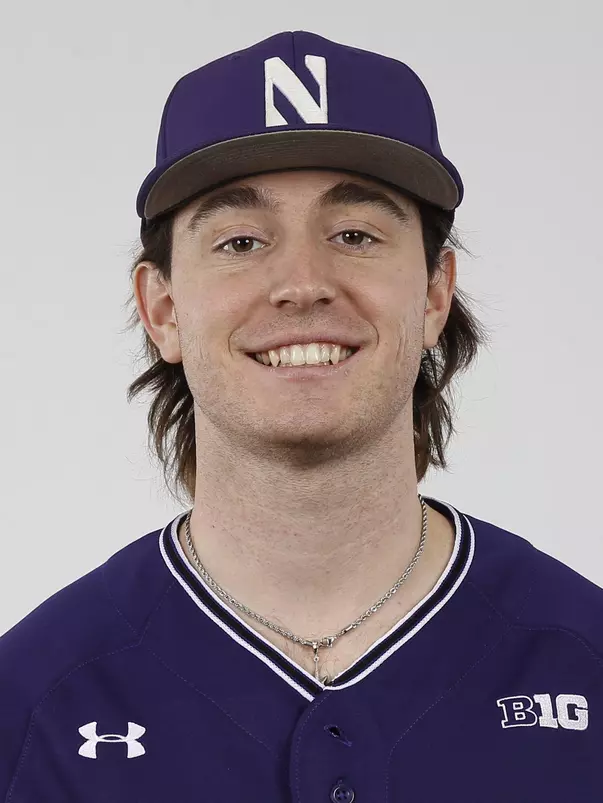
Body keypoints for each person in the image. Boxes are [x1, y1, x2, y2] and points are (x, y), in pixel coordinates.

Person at [1, 29, 602, 803]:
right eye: (240, 240)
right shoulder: (33, 702)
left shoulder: (581, 657)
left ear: (432, 293)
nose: (301, 283)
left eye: (354, 235)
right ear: (162, 307)